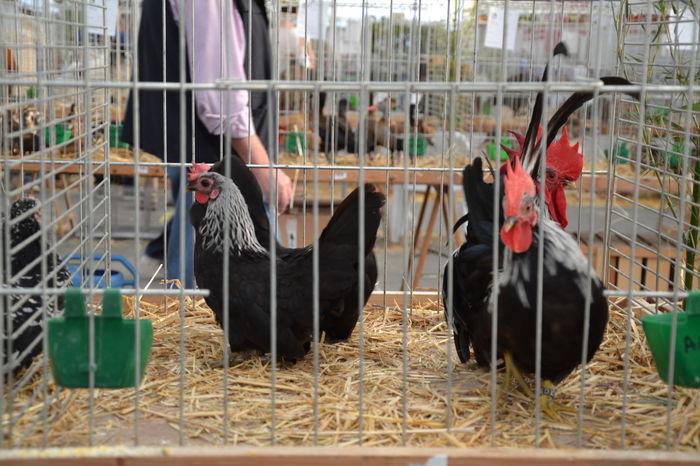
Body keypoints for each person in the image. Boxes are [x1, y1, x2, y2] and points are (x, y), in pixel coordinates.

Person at [122, 0, 293, 289]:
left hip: (201, 144)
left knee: (199, 240)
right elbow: (221, 94)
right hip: (217, 151)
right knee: (208, 255)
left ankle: (188, 314)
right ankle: (191, 322)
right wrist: (263, 166)